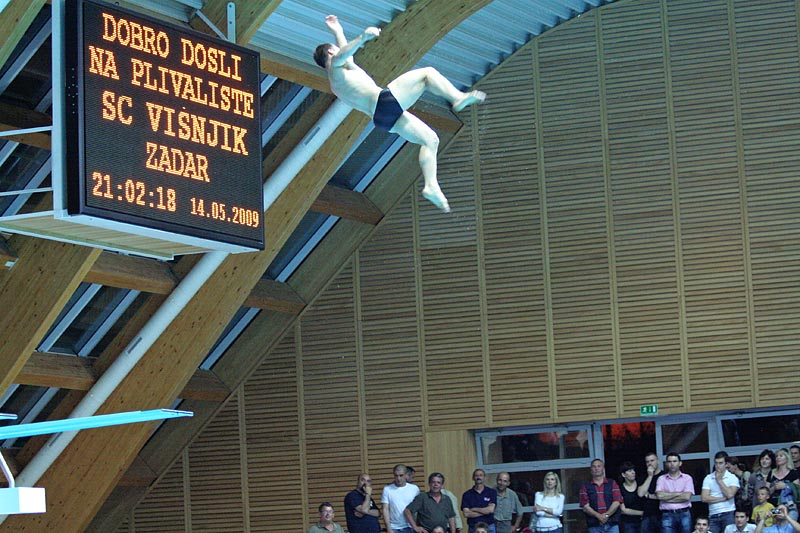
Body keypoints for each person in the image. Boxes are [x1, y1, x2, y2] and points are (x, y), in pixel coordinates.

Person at [314, 15, 486, 213]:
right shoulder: (336, 69)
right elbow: (342, 54)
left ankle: (431, 185)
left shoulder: (341, 77)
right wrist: (362, 37)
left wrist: (337, 30)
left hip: (383, 119)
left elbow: (344, 51)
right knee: (427, 73)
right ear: (330, 52)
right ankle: (457, 98)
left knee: (431, 140)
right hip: (383, 101)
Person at [580, 458, 623, 533]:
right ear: (591, 470)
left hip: (612, 524)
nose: (596, 468)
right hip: (594, 525)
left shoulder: (612, 483)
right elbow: (585, 506)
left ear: (603, 468)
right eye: (594, 466)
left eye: (599, 466)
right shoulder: (585, 486)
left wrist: (606, 515)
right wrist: (599, 516)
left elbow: (617, 502)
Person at [655, 452, 694, 533]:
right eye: (669, 461)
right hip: (667, 514)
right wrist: (679, 493)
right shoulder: (661, 479)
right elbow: (659, 496)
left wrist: (666, 498)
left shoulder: (687, 478)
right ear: (666, 464)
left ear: (680, 463)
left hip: (684, 513)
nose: (672, 464)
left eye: (674, 461)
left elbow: (686, 497)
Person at [702, 451, 740, 533]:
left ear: (726, 464)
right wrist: (722, 499)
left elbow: (730, 495)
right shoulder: (708, 478)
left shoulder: (732, 478)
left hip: (729, 513)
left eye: (720, 463)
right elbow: (704, 498)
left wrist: (719, 480)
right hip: (713, 514)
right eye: (716, 463)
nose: (718, 466)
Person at [383, 464, 421, 533]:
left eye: (401, 475)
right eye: (396, 475)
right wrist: (388, 527)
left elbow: (418, 508)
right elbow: (385, 509)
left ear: (406, 475)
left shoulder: (414, 489)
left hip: (410, 526)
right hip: (394, 527)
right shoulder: (387, 489)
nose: (398, 478)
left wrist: (416, 526)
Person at [462, 469, 498, 533]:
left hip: (489, 527)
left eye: (481, 475)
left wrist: (474, 509)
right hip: (473, 527)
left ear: (484, 478)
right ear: (473, 478)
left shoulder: (492, 492)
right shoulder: (467, 494)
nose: (478, 477)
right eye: (476, 475)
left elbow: (490, 510)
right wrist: (485, 512)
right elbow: (466, 514)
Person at [639, 452, 665, 533]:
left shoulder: (665, 476)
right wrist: (650, 476)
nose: (650, 463)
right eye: (647, 462)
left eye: (652, 460)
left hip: (663, 514)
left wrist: (649, 496)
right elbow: (640, 493)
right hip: (647, 515)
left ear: (657, 461)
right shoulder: (643, 477)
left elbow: (666, 495)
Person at [620, 461, 645, 533]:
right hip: (628, 522)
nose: (633, 472)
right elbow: (623, 510)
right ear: (623, 474)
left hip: (643, 521)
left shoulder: (641, 483)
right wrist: (643, 513)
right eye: (630, 471)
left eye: (633, 470)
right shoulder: (620, 489)